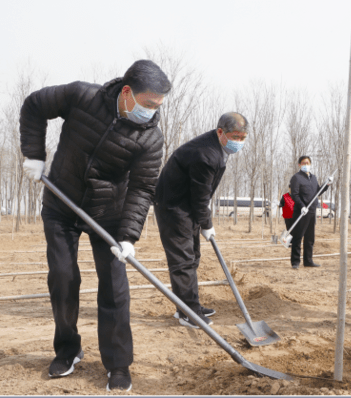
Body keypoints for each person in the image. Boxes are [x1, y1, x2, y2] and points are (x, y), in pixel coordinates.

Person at [19, 59, 171, 392]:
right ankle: (68, 350)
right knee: (63, 277)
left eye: (158, 106)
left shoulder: (150, 139)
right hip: (62, 202)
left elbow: (142, 188)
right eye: (148, 104)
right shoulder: (81, 97)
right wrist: (33, 153)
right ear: (127, 92)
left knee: (115, 287)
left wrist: (129, 236)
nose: (152, 112)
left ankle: (118, 364)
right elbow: (33, 105)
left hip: (109, 214)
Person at [154, 112, 249, 328]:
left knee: (193, 256)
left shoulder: (218, 149)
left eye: (243, 138)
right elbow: (200, 198)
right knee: (183, 260)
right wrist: (207, 223)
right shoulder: (206, 154)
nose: (239, 142)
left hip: (185, 206)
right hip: (173, 207)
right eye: (235, 136)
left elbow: (200, 197)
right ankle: (189, 313)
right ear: (220, 132)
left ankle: (187, 306)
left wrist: (202, 221)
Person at [289, 156, 330, 269]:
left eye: (307, 162)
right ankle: (295, 262)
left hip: (312, 211)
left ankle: (308, 261)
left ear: (310, 164)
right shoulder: (296, 178)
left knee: (310, 238)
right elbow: (295, 195)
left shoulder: (313, 178)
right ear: (299, 165)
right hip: (301, 212)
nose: (306, 164)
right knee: (298, 237)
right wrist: (302, 206)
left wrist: (326, 185)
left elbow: (318, 192)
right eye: (303, 163)